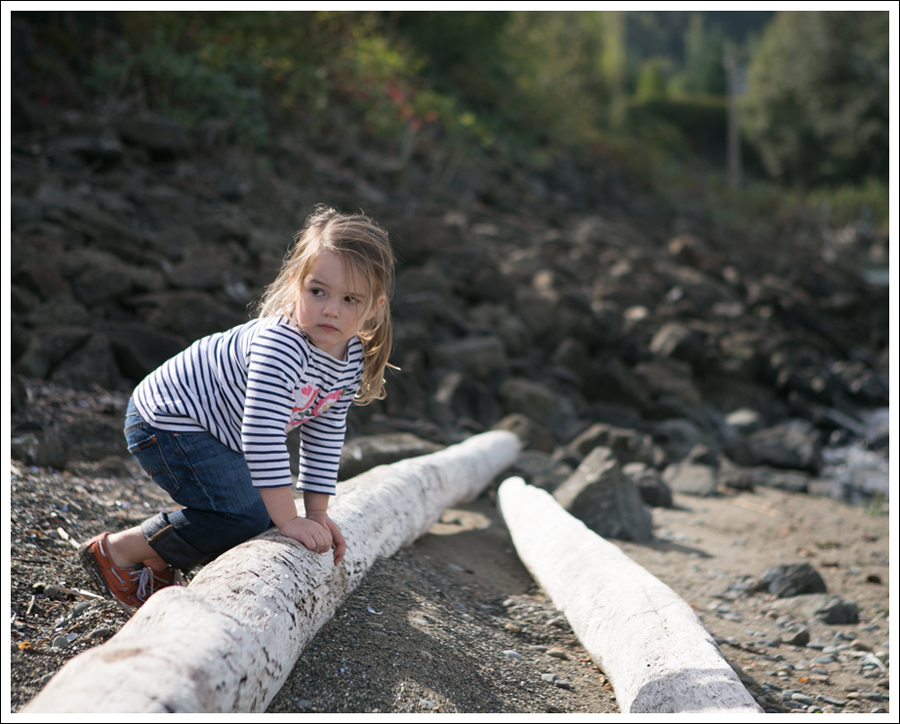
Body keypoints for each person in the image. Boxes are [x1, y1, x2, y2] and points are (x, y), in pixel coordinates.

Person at [80, 205, 395, 608]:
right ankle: (118, 551)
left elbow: (325, 434)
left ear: (374, 308)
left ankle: (159, 556)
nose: (331, 309)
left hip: (219, 431)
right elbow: (262, 435)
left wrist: (316, 513)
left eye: (350, 299)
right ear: (294, 284)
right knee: (246, 516)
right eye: (317, 291)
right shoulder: (281, 346)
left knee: (257, 513)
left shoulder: (350, 358)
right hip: (169, 420)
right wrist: (289, 520)